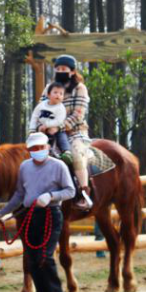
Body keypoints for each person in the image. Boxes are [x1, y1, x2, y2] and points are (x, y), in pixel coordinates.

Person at [0, 132, 76, 292]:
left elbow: (70, 191)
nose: (38, 151)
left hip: (50, 213)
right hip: (31, 214)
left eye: (41, 147)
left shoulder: (58, 165)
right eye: (34, 148)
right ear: (29, 150)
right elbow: (20, 194)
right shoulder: (25, 167)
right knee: (32, 259)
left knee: (44, 256)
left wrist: (51, 196)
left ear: (47, 147)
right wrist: (2, 212)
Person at [44, 55, 93, 211]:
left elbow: (78, 113)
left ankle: (84, 192)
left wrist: (59, 126)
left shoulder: (80, 88)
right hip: (50, 130)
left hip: (75, 131)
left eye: (63, 69)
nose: (60, 71)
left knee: (76, 155)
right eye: (57, 69)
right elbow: (42, 107)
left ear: (72, 71)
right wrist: (43, 125)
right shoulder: (49, 88)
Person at [28, 82, 70, 156]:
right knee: (36, 140)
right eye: (55, 92)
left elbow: (59, 120)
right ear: (48, 94)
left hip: (57, 129)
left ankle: (66, 152)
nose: (58, 95)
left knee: (62, 137)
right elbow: (34, 116)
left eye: (61, 94)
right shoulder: (41, 105)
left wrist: (47, 125)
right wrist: (32, 130)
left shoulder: (61, 108)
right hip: (42, 128)